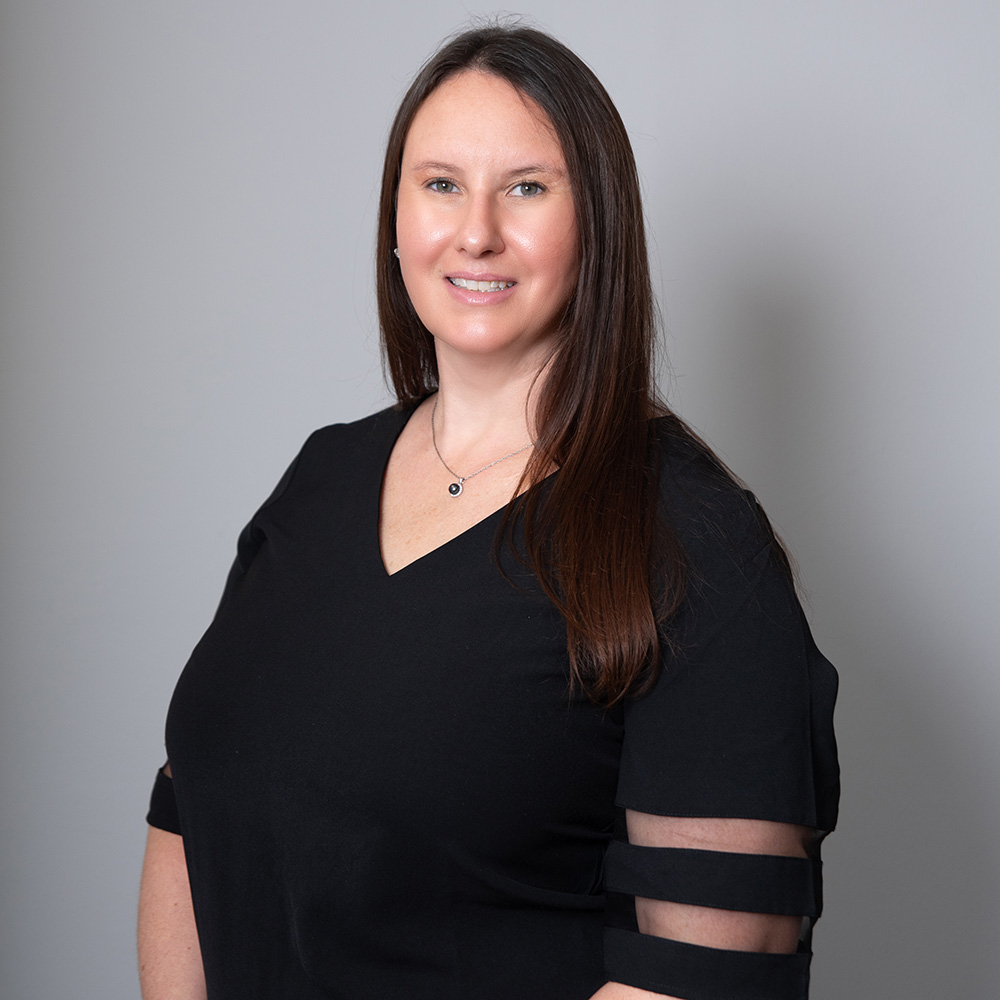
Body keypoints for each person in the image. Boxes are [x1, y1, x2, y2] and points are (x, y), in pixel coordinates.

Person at [138, 22, 839, 1000]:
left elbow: (701, 973)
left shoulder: (696, 546)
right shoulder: (322, 478)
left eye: (525, 187)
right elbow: (192, 798)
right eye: (439, 184)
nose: (475, 231)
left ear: (597, 221)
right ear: (395, 220)